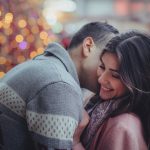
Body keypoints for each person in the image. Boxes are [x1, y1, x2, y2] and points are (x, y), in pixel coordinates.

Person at [0, 22, 118, 150]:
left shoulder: (46, 66)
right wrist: (76, 142)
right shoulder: (60, 85)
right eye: (103, 63)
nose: (106, 76)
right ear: (88, 46)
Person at [80, 31, 150, 150]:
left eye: (115, 75)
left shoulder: (123, 127)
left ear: (138, 81)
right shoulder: (97, 104)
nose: (101, 79)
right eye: (102, 67)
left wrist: (75, 142)